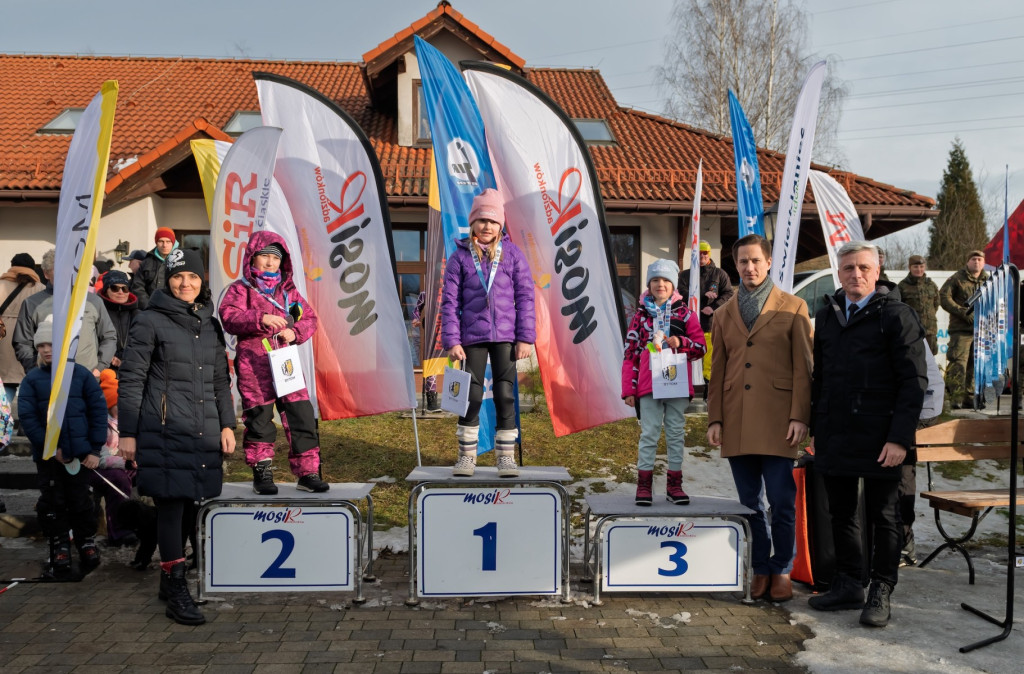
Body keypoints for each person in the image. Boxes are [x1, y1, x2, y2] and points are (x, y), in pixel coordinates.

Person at [807, 241, 927, 628]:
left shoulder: (897, 316)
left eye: (863, 268)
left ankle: (881, 588)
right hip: (836, 433)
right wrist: (815, 427)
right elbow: (820, 379)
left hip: (882, 437)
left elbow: (913, 382)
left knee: (884, 516)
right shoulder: (826, 316)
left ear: (877, 272)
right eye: (847, 269)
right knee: (840, 512)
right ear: (838, 273)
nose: (855, 274)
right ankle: (847, 582)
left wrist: (899, 438)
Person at [117, 248, 236, 626]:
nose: (186, 283)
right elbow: (132, 379)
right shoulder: (149, 321)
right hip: (163, 428)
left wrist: (229, 425)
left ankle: (170, 580)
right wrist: (129, 433)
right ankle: (177, 589)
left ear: (203, 283)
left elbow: (220, 379)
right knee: (170, 506)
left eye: (193, 278)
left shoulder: (210, 323)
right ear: (166, 279)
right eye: (178, 276)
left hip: (202, 428)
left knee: (189, 504)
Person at [706, 234, 812, 603]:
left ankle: (782, 567)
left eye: (755, 261)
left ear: (768, 262)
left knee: (782, 501)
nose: (749, 268)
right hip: (736, 419)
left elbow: (804, 367)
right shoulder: (722, 314)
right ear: (734, 266)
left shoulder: (794, 307)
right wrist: (714, 419)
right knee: (749, 502)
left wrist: (800, 415)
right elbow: (717, 370)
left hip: (779, 420)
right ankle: (760, 567)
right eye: (742, 262)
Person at [219, 231, 328, 495]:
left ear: (283, 261)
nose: (269, 263)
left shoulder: (288, 291)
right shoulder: (240, 288)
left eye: (275, 258)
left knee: (300, 416)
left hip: (286, 363)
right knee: (259, 420)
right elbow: (228, 316)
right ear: (252, 258)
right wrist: (261, 318)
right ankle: (262, 472)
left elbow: (309, 318)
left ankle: (308, 472)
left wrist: (295, 332)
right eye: (264, 257)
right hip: (254, 365)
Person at [441, 188, 536, 478]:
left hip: (506, 337)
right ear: (472, 223)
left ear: (501, 225)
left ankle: (505, 458)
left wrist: (525, 338)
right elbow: (449, 301)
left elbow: (526, 297)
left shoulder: (513, 254)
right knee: (471, 394)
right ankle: (466, 457)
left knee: (506, 394)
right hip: (472, 338)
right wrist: (452, 341)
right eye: (482, 220)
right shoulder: (459, 257)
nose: (487, 226)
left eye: (493, 221)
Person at [18, 320, 107, 579]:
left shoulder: (81, 376)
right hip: (49, 458)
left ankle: (86, 541)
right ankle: (59, 544)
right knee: (53, 502)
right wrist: (49, 447)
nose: (47, 350)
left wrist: (93, 450)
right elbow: (29, 418)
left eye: (52, 345)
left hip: (80, 456)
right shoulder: (32, 380)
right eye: (41, 346)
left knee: (81, 500)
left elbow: (97, 413)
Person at [622, 259, 706, 505]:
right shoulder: (639, 317)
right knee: (649, 434)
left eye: (666, 280)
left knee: (676, 433)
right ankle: (644, 486)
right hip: (648, 386)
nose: (661, 284)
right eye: (655, 280)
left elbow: (701, 347)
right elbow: (630, 353)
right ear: (648, 285)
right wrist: (629, 388)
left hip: (677, 384)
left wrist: (682, 343)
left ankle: (674, 485)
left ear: (674, 285)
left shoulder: (686, 314)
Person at [13, 248, 117, 377]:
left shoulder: (93, 301)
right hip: (48, 381)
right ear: (46, 274)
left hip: (87, 380)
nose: (66, 274)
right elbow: (22, 342)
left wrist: (99, 367)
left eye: (70, 269)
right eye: (59, 270)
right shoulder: (32, 303)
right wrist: (35, 370)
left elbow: (109, 336)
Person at [89, 369, 137, 548]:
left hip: (128, 465)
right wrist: (126, 461)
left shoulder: (131, 421)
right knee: (118, 480)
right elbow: (100, 458)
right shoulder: (100, 423)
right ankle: (119, 532)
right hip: (102, 469)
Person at [678, 241, 734, 391]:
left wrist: (714, 307)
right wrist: (702, 295)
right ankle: (689, 390)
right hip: (689, 326)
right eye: (699, 252)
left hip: (710, 324)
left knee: (709, 361)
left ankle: (709, 392)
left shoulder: (719, 274)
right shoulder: (685, 275)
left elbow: (729, 294)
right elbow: (680, 293)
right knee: (690, 357)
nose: (702, 255)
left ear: (709, 254)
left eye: (705, 253)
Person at [940, 250, 988, 409]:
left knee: (975, 365)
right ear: (968, 262)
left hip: (981, 330)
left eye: (980, 259)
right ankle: (956, 397)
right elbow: (944, 298)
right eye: (973, 259)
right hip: (961, 330)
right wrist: (962, 312)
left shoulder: (988, 281)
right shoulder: (957, 278)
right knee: (958, 363)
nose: (977, 262)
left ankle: (969, 396)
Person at [0, 253, 46, 407]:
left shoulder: (0, 285)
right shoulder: (40, 289)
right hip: (30, 338)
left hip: (3, 338)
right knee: (33, 383)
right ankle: (27, 423)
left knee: (6, 384)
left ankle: (2, 423)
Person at [97, 270, 139, 370]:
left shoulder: (138, 314)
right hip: (103, 368)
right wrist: (108, 357)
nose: (121, 292)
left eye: (125, 288)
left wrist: (125, 361)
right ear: (106, 290)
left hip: (132, 369)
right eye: (115, 288)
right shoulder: (98, 311)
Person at [897, 255, 940, 355]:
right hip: (911, 331)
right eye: (915, 267)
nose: (919, 269)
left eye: (921, 267)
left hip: (930, 330)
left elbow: (936, 304)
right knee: (911, 358)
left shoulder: (931, 285)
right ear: (909, 267)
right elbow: (899, 308)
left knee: (930, 362)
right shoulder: (902, 286)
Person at [129, 227, 179, 309]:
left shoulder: (181, 260)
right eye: (161, 241)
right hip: (150, 310)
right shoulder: (147, 261)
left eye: (168, 241)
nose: (164, 245)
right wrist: (148, 306)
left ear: (173, 243)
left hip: (175, 310)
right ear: (156, 242)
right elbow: (138, 286)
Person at [412, 291, 441, 412]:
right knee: (432, 365)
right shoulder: (427, 293)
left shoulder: (453, 289)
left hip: (449, 332)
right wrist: (416, 320)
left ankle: (455, 398)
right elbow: (416, 310)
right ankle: (431, 400)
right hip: (431, 333)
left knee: (452, 364)